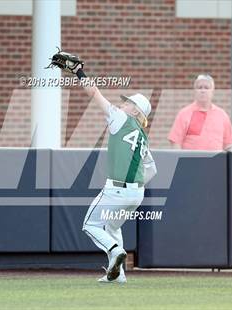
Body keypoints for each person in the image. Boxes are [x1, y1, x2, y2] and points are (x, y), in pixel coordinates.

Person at [51, 51, 157, 283]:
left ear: (137, 111)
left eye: (128, 102)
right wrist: (135, 185)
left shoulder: (121, 119)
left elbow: (93, 93)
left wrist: (79, 72)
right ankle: (118, 276)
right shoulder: (142, 135)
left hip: (117, 190)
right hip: (136, 193)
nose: (123, 103)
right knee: (111, 226)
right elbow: (152, 170)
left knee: (90, 225)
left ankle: (115, 251)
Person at [168, 74, 232, 151]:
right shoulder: (184, 114)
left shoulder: (222, 115)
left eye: (207, 88)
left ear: (213, 92)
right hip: (191, 162)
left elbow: (228, 146)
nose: (203, 90)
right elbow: (176, 143)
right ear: (195, 91)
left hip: (216, 162)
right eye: (199, 87)